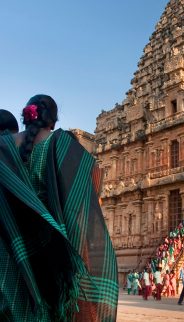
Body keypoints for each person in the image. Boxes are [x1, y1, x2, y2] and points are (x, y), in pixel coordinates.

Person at [0, 95, 118, 321]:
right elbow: (87, 190)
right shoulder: (61, 144)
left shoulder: (5, 147)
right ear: (53, 121)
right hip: (55, 252)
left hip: (12, 252)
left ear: (26, 116)